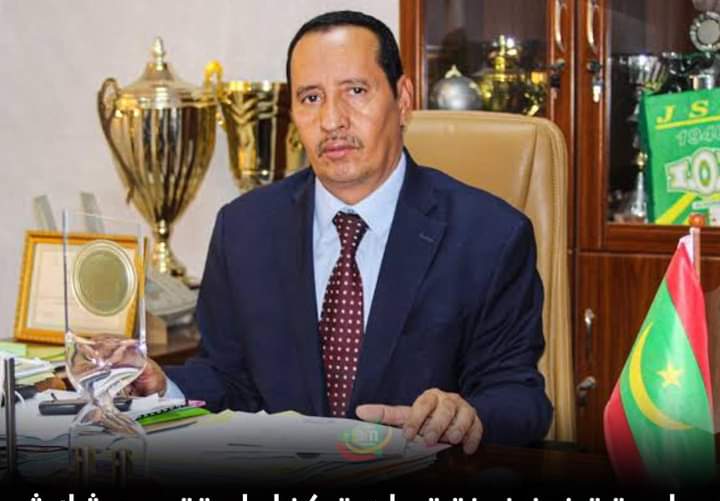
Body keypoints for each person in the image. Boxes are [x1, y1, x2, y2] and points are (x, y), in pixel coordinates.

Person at [132, 10, 552, 453]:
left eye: (355, 91)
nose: (332, 120)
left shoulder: (489, 236)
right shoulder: (244, 229)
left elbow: (520, 398)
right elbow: (228, 378)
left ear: (403, 99)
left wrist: (468, 415)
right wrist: (164, 387)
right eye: (311, 97)